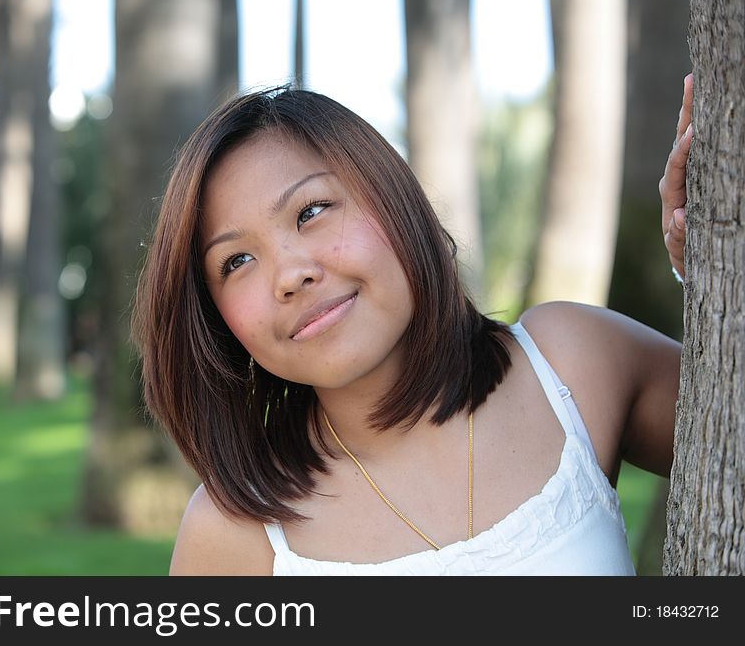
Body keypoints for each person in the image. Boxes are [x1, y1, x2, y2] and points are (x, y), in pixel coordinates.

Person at [131, 75, 693, 575]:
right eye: (236, 262)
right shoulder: (234, 534)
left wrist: (712, 263)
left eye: (311, 211)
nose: (291, 274)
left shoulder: (572, 364)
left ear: (391, 196)